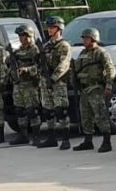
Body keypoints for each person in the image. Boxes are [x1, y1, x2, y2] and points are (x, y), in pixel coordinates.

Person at [72, 28, 116, 153]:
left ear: (93, 39)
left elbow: (110, 69)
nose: (84, 40)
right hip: (84, 88)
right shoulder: (82, 53)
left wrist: (108, 85)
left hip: (96, 87)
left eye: (86, 38)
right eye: (84, 38)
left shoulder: (100, 53)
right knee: (85, 115)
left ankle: (106, 141)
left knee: (100, 115)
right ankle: (88, 141)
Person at [36, 16, 72, 150]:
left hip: (58, 83)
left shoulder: (64, 46)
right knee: (48, 111)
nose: (49, 30)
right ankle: (51, 138)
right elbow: (40, 64)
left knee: (60, 110)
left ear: (59, 29)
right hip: (45, 82)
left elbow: (64, 65)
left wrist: (53, 78)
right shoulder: (46, 46)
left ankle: (65, 139)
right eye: (49, 27)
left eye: (52, 27)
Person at [10, 25, 42, 146]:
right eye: (19, 36)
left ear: (29, 35)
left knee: (32, 110)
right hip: (19, 84)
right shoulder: (18, 51)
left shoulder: (35, 50)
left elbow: (39, 66)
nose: (21, 38)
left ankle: (36, 135)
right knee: (19, 110)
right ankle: (23, 135)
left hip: (30, 84)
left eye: (23, 36)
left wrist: (28, 70)